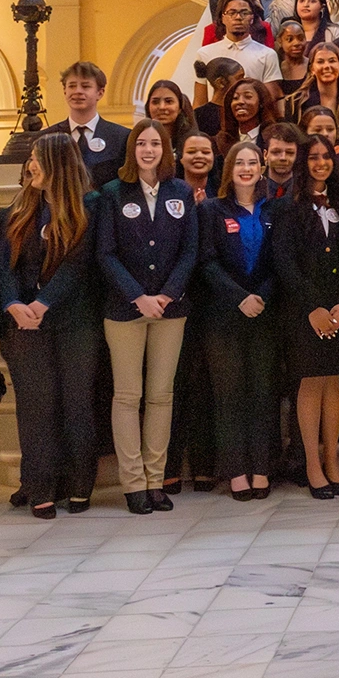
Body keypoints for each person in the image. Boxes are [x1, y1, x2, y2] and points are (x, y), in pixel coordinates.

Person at [95, 120, 196, 514]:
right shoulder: (112, 193)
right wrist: (138, 296)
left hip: (171, 309)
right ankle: (133, 483)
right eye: (142, 143)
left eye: (156, 143)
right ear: (131, 149)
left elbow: (189, 250)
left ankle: (155, 480)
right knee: (127, 396)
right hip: (125, 309)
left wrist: (167, 294)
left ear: (165, 150)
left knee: (161, 396)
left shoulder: (180, 191)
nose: (148, 150)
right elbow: (105, 253)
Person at [0, 132, 98, 519]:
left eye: (37, 157)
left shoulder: (90, 206)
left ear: (58, 163)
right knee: (36, 407)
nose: (31, 165)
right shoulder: (22, 207)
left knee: (76, 404)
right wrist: (13, 304)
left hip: (75, 322)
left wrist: (44, 302)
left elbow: (79, 264)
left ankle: (78, 486)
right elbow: (4, 264)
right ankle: (40, 488)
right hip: (25, 326)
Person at [272, 133, 339, 497]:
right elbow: (284, 262)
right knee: (310, 383)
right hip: (304, 311)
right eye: (313, 157)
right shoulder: (287, 206)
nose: (321, 163)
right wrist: (313, 306)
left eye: (326, 157)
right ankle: (312, 464)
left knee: (334, 384)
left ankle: (331, 460)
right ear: (302, 163)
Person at [196, 141, 279, 499]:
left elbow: (280, 261)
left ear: (262, 168)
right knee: (229, 395)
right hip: (223, 316)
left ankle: (262, 468)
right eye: (239, 162)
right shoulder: (211, 210)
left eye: (252, 162)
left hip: (264, 313)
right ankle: (236, 472)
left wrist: (261, 297)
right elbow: (206, 262)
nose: (246, 168)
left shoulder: (273, 209)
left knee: (262, 393)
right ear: (228, 170)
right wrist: (239, 298)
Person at [49, 61, 131, 189]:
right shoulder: (48, 137)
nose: (78, 91)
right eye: (72, 86)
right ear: (64, 91)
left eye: (85, 86)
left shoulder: (121, 137)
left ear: (100, 93)